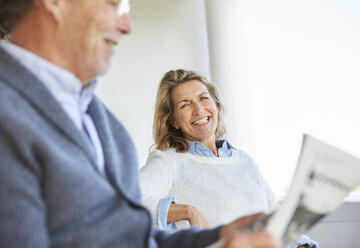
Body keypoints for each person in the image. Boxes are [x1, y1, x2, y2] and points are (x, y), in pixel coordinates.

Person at [0, 0, 282, 248]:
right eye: (113, 5)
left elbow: (133, 239)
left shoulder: (109, 130)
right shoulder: (8, 111)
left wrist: (218, 237)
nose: (126, 26)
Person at [139, 69, 319, 248]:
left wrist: (301, 245)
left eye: (203, 98)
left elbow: (273, 217)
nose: (199, 110)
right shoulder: (168, 162)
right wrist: (188, 212)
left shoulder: (244, 161)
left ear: (216, 105)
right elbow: (125, 202)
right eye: (185, 105)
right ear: (173, 121)